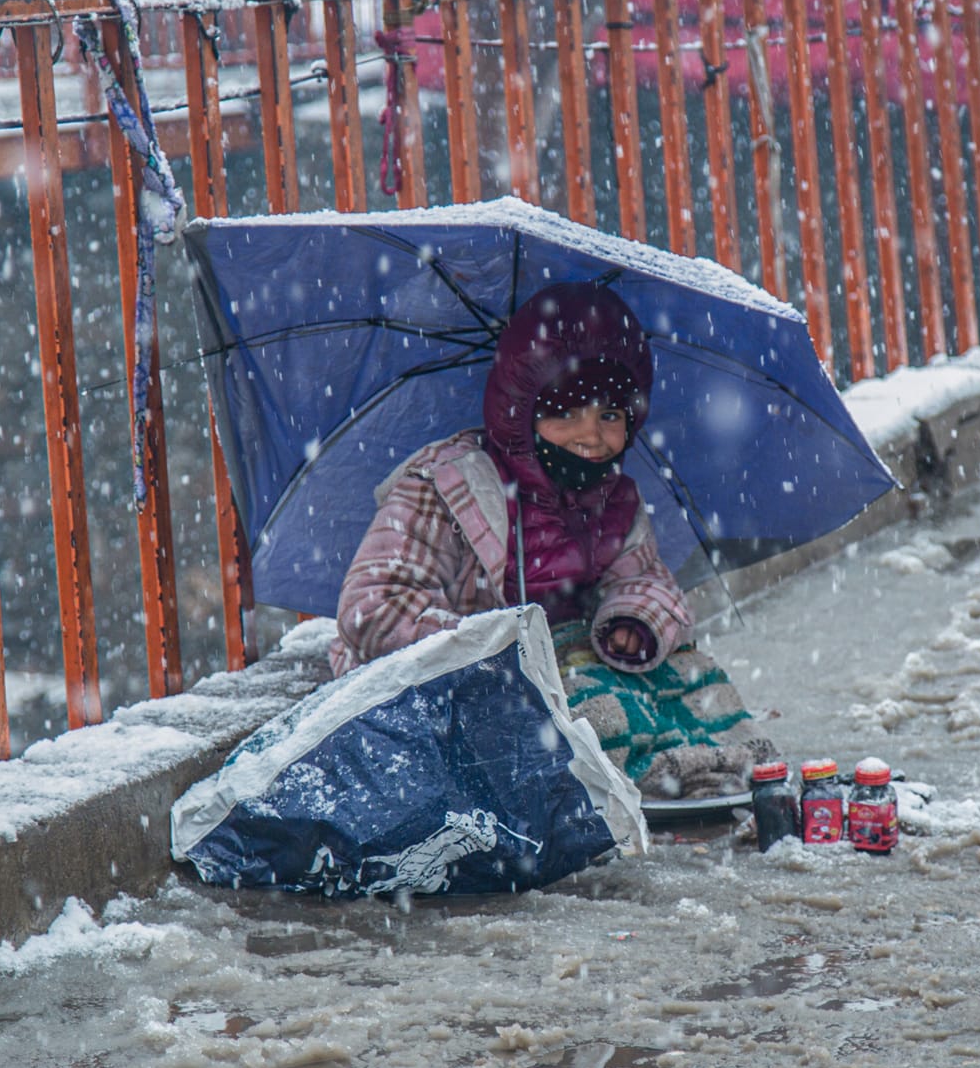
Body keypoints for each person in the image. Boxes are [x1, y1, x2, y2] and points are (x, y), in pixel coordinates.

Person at [329, 281, 770, 789]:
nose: (591, 435)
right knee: (583, 715)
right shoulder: (444, 488)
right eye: (566, 413)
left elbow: (646, 579)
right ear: (522, 414)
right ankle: (621, 779)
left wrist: (633, 618)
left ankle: (709, 760)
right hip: (446, 677)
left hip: (567, 665)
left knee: (687, 677)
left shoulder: (613, 500)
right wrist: (489, 646)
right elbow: (374, 605)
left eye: (610, 415)